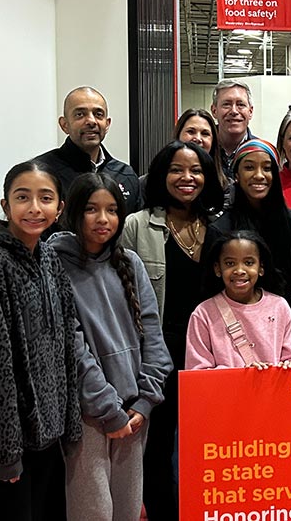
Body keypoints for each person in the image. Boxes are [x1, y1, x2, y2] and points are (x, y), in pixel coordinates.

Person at [0, 162, 81, 521]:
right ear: (5, 205)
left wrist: (67, 425)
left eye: (45, 198)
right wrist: (5, 451)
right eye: (22, 197)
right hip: (8, 438)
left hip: (47, 432)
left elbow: (65, 349)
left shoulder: (47, 258)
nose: (34, 208)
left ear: (59, 209)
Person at [50, 173, 173, 521]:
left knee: (128, 509)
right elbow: (72, 348)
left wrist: (146, 402)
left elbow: (153, 337)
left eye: (111, 210)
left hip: (135, 413)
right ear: (73, 212)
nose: (103, 219)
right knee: (94, 511)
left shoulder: (130, 263)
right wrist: (108, 409)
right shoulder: (55, 264)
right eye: (91, 209)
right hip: (91, 414)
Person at [121, 139, 225, 520]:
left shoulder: (219, 226)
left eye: (196, 170)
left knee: (210, 444)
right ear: (162, 175)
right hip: (158, 355)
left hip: (211, 356)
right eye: (176, 170)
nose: (187, 178)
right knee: (158, 444)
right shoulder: (137, 225)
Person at [203, 139, 291, 319]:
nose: (259, 175)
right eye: (249, 168)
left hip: (285, 322)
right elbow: (209, 289)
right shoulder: (221, 230)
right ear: (236, 174)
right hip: (233, 323)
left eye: (267, 168)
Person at [186, 230, 291, 370]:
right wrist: (241, 375)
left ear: (261, 268)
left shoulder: (279, 306)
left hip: (272, 391)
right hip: (227, 392)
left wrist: (290, 365)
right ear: (218, 268)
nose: (239, 270)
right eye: (230, 263)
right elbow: (197, 373)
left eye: (248, 262)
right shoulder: (203, 314)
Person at [36, 86, 141, 213]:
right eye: (80, 114)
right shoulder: (41, 173)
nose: (91, 121)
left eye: (98, 114)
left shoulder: (125, 175)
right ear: (64, 125)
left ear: (107, 124)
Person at [211, 79, 257, 179]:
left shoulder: (261, 152)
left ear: (250, 112)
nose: (234, 111)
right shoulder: (204, 149)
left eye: (241, 104)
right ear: (214, 111)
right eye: (226, 104)